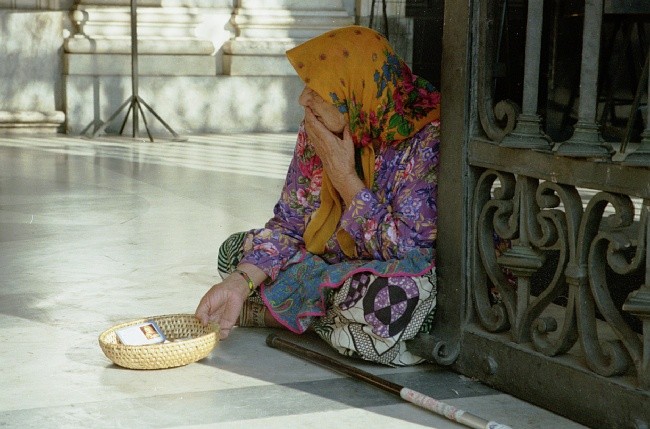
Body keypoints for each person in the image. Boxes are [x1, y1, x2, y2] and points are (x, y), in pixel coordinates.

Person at [195, 25, 440, 366]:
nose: (303, 99)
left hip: (387, 272)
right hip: (333, 267)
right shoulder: (319, 126)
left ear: (355, 91)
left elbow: (409, 249)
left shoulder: (424, 139)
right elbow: (290, 224)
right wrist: (240, 282)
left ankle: (285, 310)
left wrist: (344, 177)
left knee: (394, 299)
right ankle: (321, 317)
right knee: (233, 254)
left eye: (318, 88)